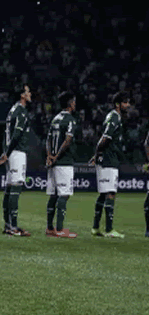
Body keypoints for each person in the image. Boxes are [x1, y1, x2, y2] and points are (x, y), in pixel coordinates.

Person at [89, 92, 131, 238]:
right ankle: (109, 229)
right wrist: (97, 154)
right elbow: (105, 137)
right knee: (111, 193)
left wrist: (97, 155)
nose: (128, 105)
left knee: (103, 193)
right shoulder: (114, 117)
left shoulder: (114, 117)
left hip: (107, 159)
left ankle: (95, 228)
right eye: (126, 102)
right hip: (108, 160)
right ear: (118, 104)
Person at [0, 83, 34, 236]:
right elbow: (17, 134)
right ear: (22, 95)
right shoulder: (21, 111)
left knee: (10, 188)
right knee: (16, 187)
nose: (30, 93)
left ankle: (8, 225)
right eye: (28, 91)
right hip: (17, 152)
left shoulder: (12, 110)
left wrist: (5, 152)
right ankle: (13, 227)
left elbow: (7, 133)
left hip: (11, 152)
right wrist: (8, 152)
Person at [45, 92, 79, 238]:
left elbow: (47, 139)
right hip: (64, 163)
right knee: (64, 194)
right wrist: (57, 157)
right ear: (70, 103)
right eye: (74, 101)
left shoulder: (55, 119)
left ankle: (50, 228)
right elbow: (68, 140)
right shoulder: (70, 120)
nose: (75, 104)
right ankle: (59, 229)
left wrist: (49, 156)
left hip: (53, 163)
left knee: (54, 195)